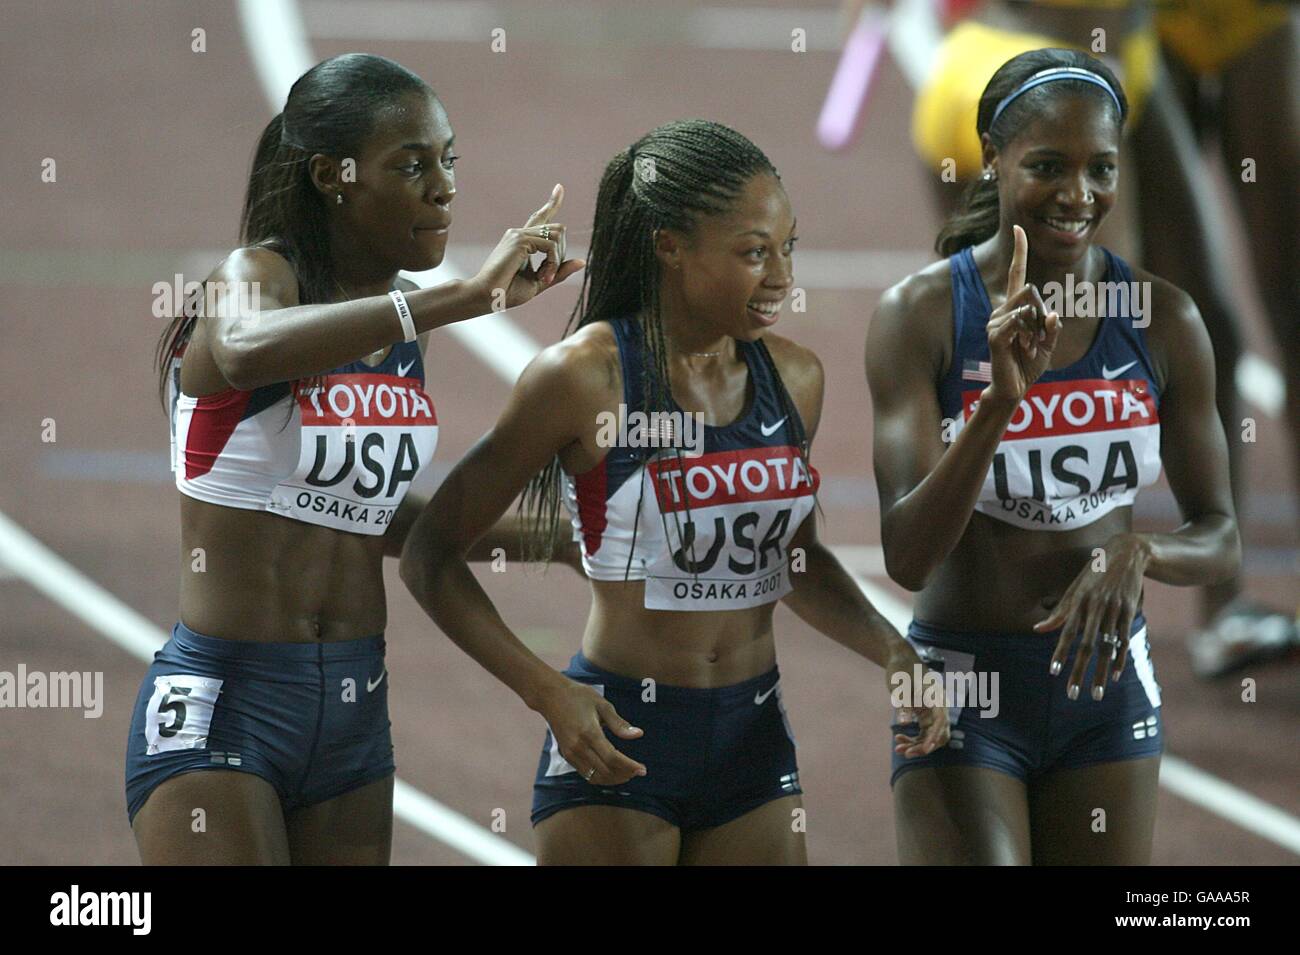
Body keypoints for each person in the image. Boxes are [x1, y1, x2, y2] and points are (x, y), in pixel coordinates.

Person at [399, 119, 949, 866]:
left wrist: (894, 650)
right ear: (670, 246)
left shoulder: (795, 378)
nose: (783, 277)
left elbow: (794, 557)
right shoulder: (584, 378)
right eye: (755, 253)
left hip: (754, 740)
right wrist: (548, 692)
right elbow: (430, 555)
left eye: (788, 248)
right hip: (618, 739)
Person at [126, 53, 582, 865]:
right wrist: (463, 297)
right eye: (411, 165)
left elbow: (364, 514)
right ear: (332, 177)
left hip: (353, 712)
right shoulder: (259, 277)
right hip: (229, 703)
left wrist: (552, 540)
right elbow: (238, 352)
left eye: (448, 160)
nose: (442, 186)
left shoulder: (400, 331)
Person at [867, 49, 1240, 864]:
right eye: (1047, 166)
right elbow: (908, 554)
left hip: (1103, 690)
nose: (1079, 195)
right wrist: (1000, 403)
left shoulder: (1164, 321)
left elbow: (1220, 536)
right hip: (962, 683)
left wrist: (1139, 550)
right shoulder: (922, 317)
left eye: (1101, 168)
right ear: (992, 162)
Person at [1153, 0, 1300, 677]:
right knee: (1198, 321)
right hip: (1130, 22)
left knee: (1293, 308)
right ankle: (1222, 605)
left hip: (1257, 16)